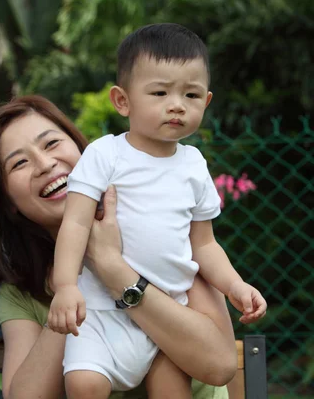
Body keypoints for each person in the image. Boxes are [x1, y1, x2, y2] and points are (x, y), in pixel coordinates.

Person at [0, 94, 238, 399]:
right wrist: (76, 281)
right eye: (19, 163)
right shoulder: (21, 292)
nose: (45, 164)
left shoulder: (167, 238)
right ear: (8, 203)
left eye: (51, 143)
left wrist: (111, 267)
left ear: (88, 152)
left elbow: (220, 364)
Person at [47, 23, 267, 398]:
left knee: (171, 390)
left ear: (206, 102)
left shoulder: (194, 165)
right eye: (161, 92)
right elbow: (76, 224)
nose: (177, 104)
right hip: (101, 313)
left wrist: (234, 285)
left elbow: (205, 245)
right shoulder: (105, 154)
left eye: (191, 94)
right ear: (123, 101)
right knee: (84, 384)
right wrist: (66, 286)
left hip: (166, 313)